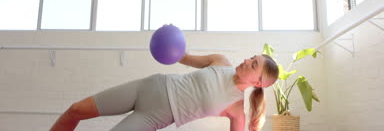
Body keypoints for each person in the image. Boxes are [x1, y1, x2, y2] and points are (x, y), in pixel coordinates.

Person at [50, 52, 279, 131]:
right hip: (149, 86)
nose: (248, 60)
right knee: (76, 109)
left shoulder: (237, 109)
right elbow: (183, 57)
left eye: (254, 64)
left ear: (258, 83)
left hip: (154, 116)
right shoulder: (220, 61)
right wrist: (169, 42)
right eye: (252, 57)